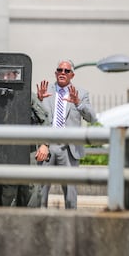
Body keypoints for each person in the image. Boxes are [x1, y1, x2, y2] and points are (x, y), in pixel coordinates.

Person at [36, 60, 97, 209]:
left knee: (70, 195)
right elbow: (34, 119)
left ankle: (71, 225)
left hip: (69, 149)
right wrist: (38, 101)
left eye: (66, 71)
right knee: (40, 194)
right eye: (60, 70)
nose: (62, 73)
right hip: (47, 147)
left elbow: (92, 118)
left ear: (72, 75)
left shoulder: (81, 94)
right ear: (56, 73)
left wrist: (78, 104)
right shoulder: (45, 92)